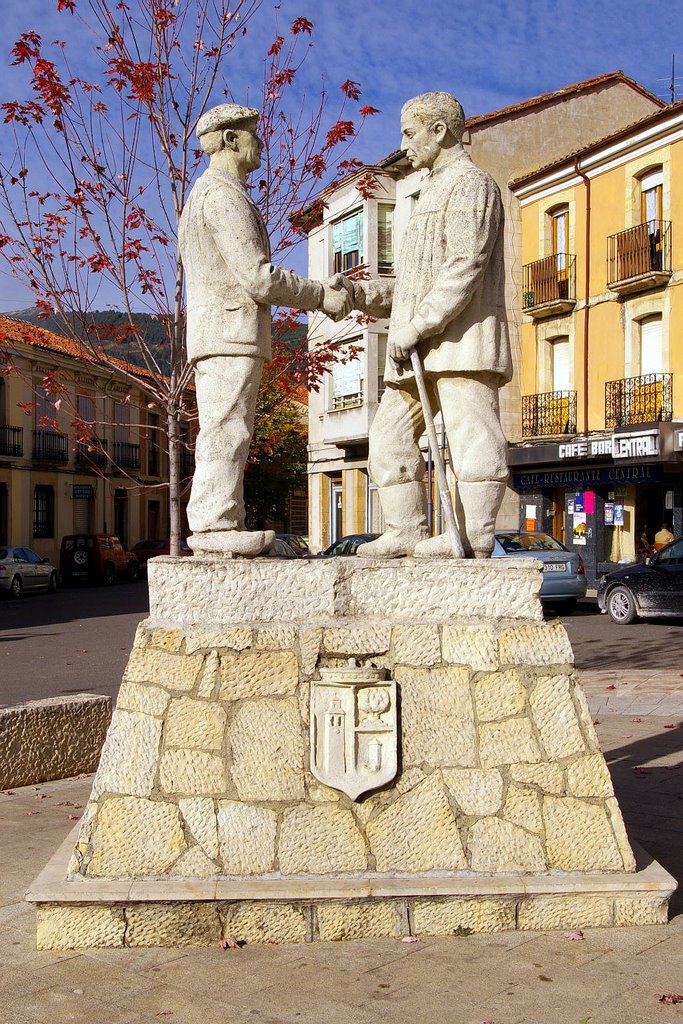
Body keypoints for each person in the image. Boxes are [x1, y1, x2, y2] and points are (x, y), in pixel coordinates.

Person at [179, 103, 351, 557]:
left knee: (228, 428)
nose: (262, 143)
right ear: (231, 139)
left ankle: (220, 521)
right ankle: (215, 526)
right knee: (226, 429)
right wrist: (320, 295)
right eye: (254, 134)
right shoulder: (221, 197)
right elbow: (258, 277)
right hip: (228, 333)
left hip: (225, 333)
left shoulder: (212, 195)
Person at [348, 91, 511, 558]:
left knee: (471, 434)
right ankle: (406, 529)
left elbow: (466, 264)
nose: (404, 145)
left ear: (439, 131)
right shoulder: (429, 193)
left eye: (408, 133)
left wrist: (418, 324)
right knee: (388, 437)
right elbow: (413, 283)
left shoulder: (471, 184)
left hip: (461, 340)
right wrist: (360, 295)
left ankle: (474, 534)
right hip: (414, 345)